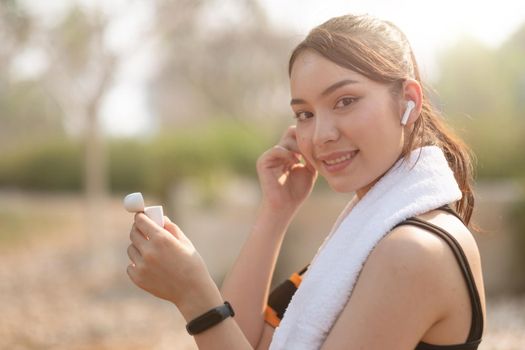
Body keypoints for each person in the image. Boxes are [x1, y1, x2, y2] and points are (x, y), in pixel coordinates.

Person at [126, 14, 486, 349]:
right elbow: (247, 338)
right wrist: (275, 213)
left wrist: (194, 295)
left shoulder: (412, 252)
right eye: (305, 114)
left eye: (345, 101)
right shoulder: (367, 235)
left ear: (408, 100)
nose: (320, 135)